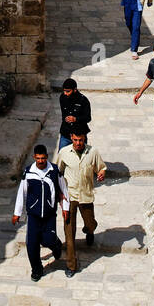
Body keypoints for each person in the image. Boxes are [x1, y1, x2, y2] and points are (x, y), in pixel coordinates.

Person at [12, 144, 69, 281]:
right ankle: (36, 269)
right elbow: (22, 193)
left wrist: (65, 208)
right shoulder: (28, 172)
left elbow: (64, 190)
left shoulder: (55, 171)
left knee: (48, 239)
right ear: (34, 158)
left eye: (43, 158)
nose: (41, 161)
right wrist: (17, 212)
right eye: (38, 159)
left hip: (49, 214)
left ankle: (56, 245)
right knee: (32, 244)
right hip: (33, 215)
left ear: (47, 157)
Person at [56, 129, 106, 277]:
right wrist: (59, 194)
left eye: (81, 140)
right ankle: (71, 265)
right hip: (69, 196)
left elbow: (101, 167)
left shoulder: (93, 152)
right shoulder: (64, 153)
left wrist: (101, 173)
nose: (78, 143)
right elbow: (57, 172)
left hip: (86, 195)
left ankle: (89, 231)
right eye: (76, 140)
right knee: (69, 233)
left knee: (90, 222)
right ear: (71, 138)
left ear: (85, 139)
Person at [58, 77, 91, 151]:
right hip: (66, 134)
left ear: (75, 90)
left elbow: (88, 118)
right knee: (62, 155)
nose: (65, 93)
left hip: (79, 136)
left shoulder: (83, 101)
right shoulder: (63, 98)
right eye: (64, 91)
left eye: (68, 91)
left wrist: (76, 119)